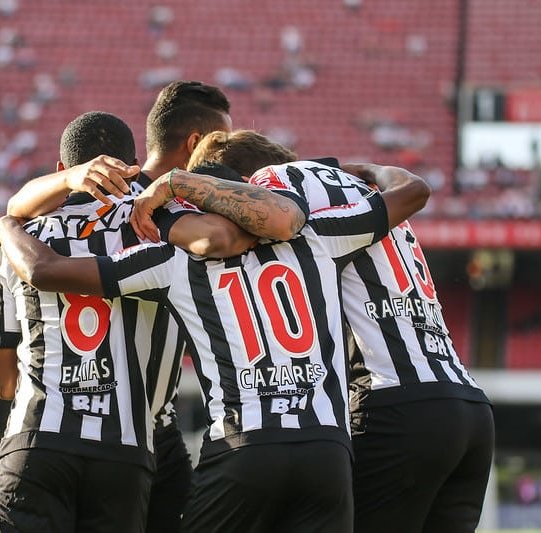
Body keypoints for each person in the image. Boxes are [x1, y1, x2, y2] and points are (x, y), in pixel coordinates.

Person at [0, 159, 430, 532]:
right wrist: (370, 169)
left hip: (242, 447)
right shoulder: (315, 236)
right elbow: (413, 191)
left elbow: (45, 269)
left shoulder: (172, 260)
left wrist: (7, 225)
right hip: (327, 448)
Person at [185, 129, 495, 533]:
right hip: (468, 404)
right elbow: (413, 191)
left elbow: (262, 231)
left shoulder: (273, 186)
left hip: (393, 402)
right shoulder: (358, 187)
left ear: (241, 181)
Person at [0, 111, 253, 532]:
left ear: (62, 169)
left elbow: (2, 383)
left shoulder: (18, 240)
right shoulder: (154, 226)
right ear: (133, 169)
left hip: (38, 442)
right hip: (125, 450)